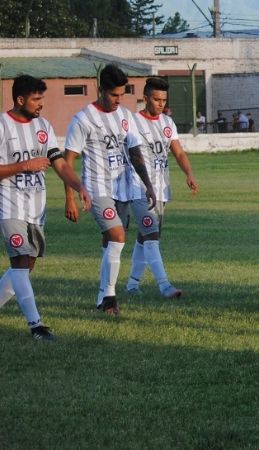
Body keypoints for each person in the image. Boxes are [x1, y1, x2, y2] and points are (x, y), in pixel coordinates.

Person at [0, 75, 91, 340]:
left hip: (36, 208)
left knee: (26, 266)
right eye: (36, 99)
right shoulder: (3, 125)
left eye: (42, 99)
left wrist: (80, 187)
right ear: (20, 99)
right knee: (19, 262)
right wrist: (24, 166)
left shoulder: (44, 126)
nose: (41, 104)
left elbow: (59, 163)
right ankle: (36, 326)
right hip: (9, 205)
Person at [64, 64, 156, 315]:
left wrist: (148, 184)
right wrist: (69, 197)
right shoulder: (83, 119)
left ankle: (101, 296)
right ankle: (110, 298)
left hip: (122, 189)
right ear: (100, 89)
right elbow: (67, 161)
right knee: (118, 236)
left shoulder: (125, 116)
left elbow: (135, 151)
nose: (118, 100)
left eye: (121, 95)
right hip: (97, 189)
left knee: (110, 243)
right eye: (113, 95)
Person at [124, 77, 199, 298]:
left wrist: (189, 174)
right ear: (145, 98)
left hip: (161, 189)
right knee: (152, 235)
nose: (160, 104)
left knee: (145, 237)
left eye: (164, 100)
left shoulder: (168, 123)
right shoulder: (133, 122)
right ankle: (164, 286)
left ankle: (132, 285)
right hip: (140, 188)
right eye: (156, 99)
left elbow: (179, 152)